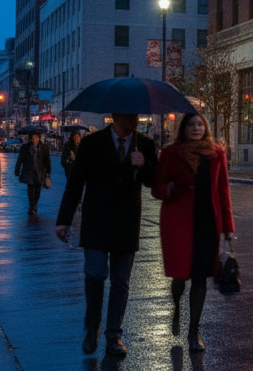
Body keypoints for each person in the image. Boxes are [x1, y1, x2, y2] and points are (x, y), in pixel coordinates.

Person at [56, 113, 159, 356]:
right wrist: (64, 221)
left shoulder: (144, 145)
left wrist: (144, 165)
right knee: (95, 276)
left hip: (126, 223)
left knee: (120, 283)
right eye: (127, 116)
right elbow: (75, 183)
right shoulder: (92, 143)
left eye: (135, 116)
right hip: (96, 223)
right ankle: (92, 328)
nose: (133, 120)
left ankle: (114, 335)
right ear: (114, 117)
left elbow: (154, 181)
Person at [152, 113, 235, 352]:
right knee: (180, 276)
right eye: (191, 125)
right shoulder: (169, 154)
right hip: (178, 223)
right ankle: (177, 306)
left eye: (200, 124)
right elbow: (156, 188)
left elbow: (223, 190)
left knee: (200, 276)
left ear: (206, 127)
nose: (196, 128)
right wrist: (172, 187)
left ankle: (193, 330)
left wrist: (228, 227)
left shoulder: (216, 153)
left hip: (208, 221)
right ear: (183, 128)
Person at [15, 131, 51, 215]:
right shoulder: (25, 147)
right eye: (33, 138)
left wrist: (48, 172)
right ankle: (32, 206)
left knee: (38, 188)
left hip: (40, 170)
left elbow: (47, 160)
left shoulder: (43, 147)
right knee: (30, 188)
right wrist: (17, 169)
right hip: (29, 170)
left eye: (36, 138)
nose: (35, 140)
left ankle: (35, 204)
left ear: (39, 138)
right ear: (30, 139)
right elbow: (20, 159)